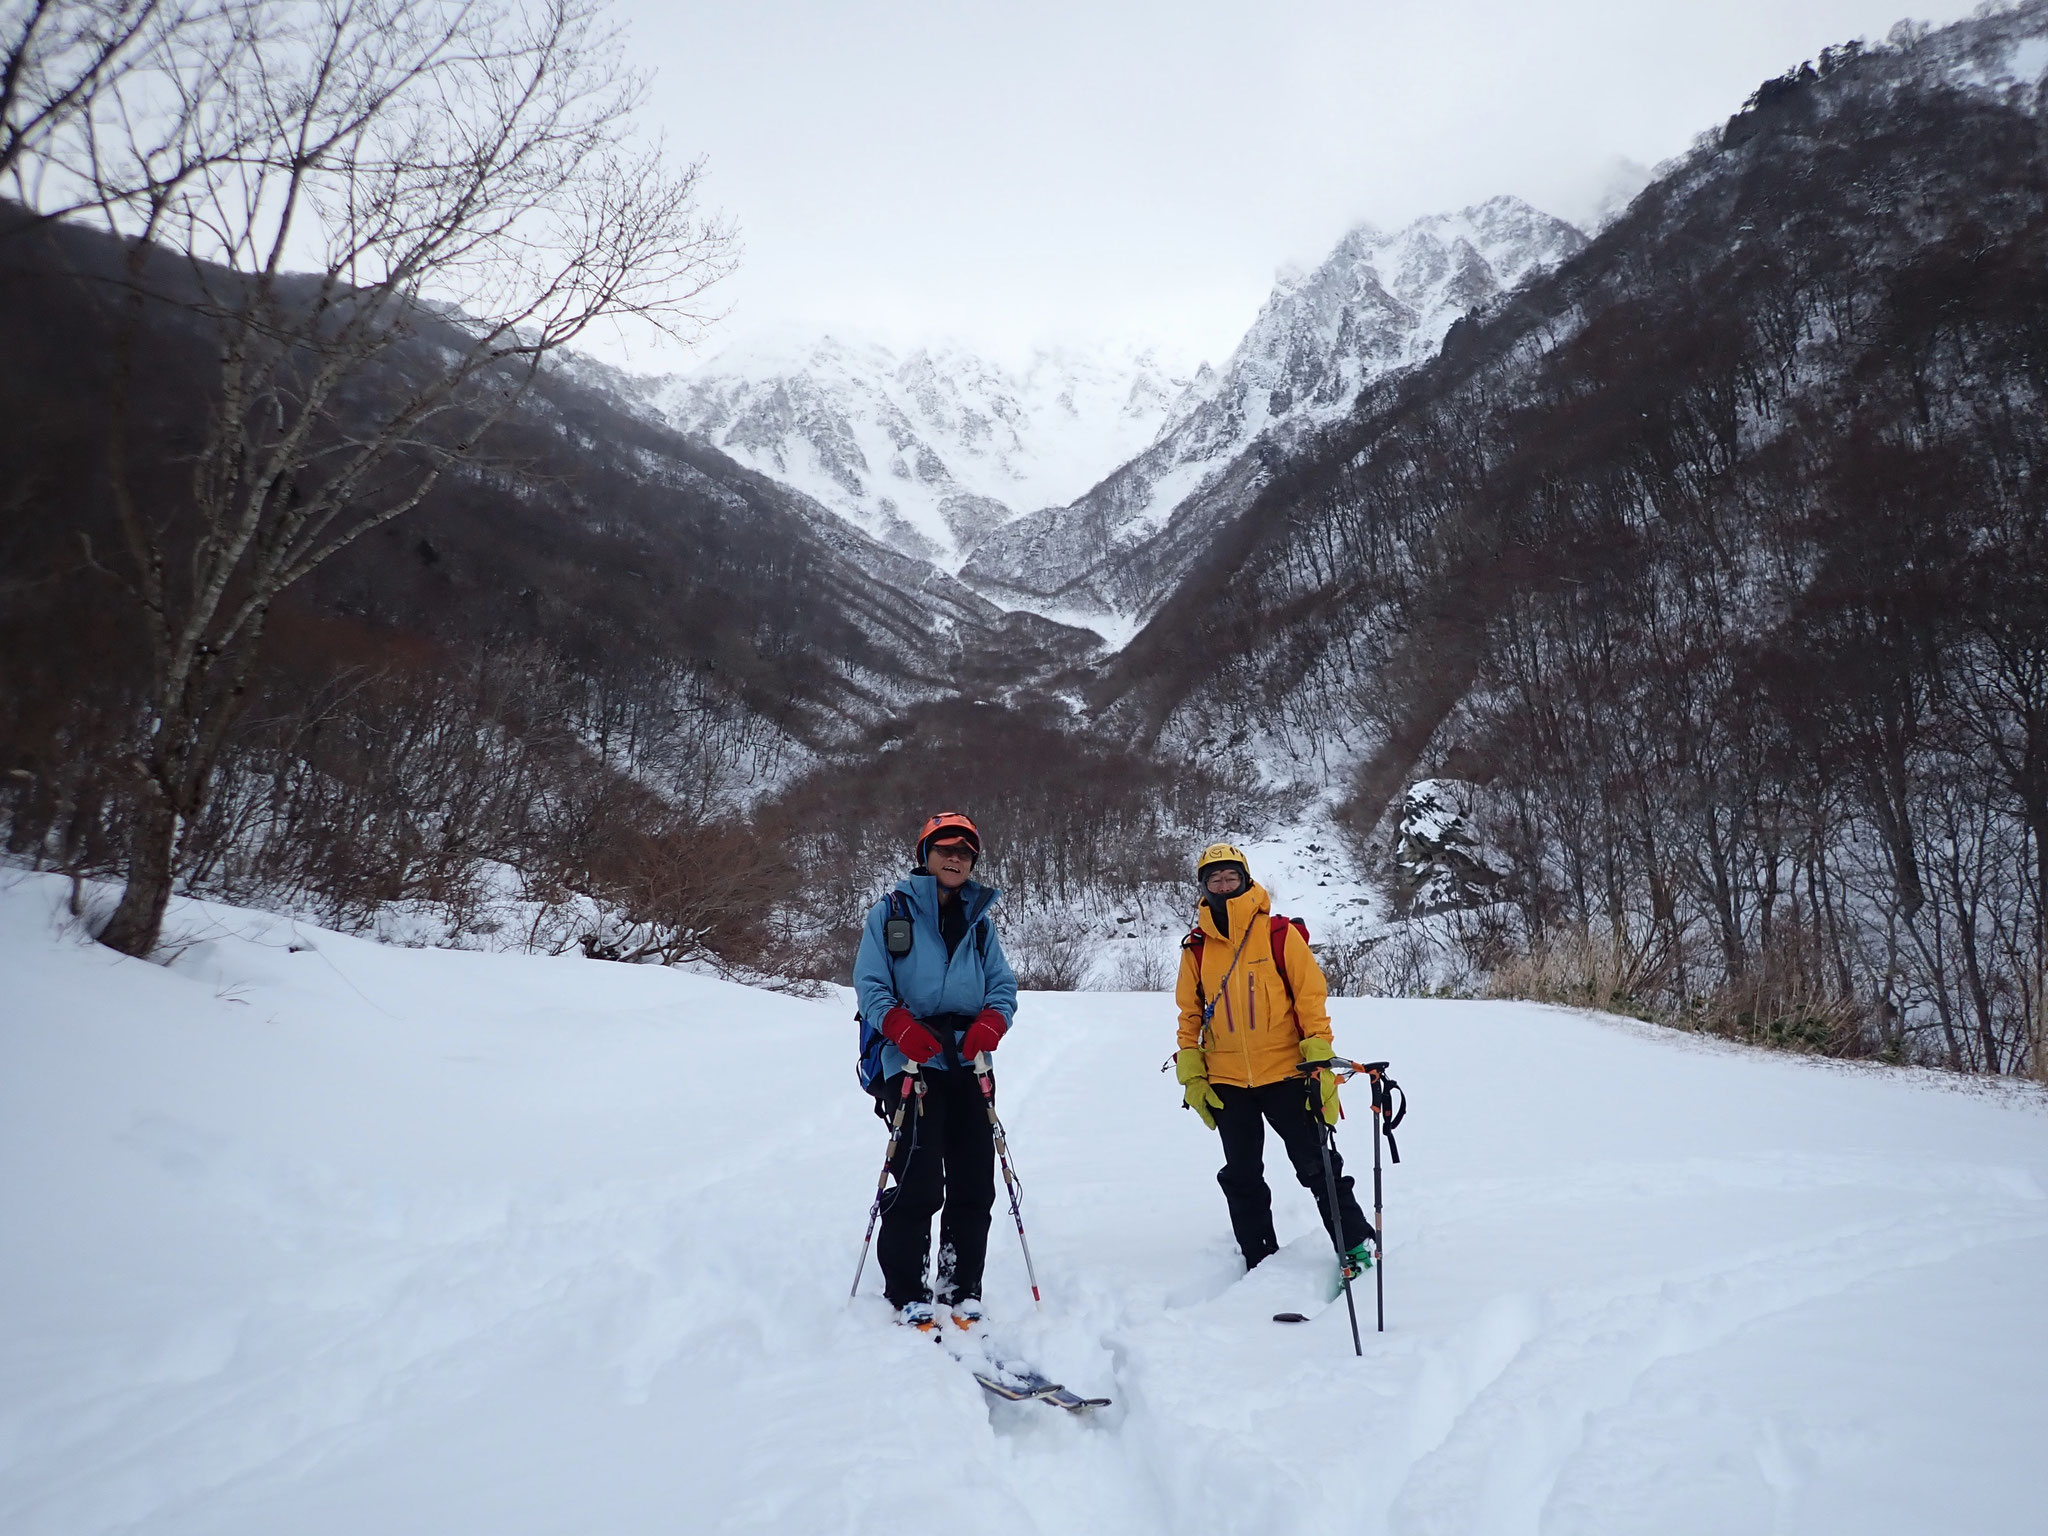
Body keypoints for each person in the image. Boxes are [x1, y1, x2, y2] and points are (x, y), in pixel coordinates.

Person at [1173, 841, 1375, 1281]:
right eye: (1214, 879)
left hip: (1287, 1073)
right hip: (1227, 1080)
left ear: (1245, 880)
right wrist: (1192, 1074)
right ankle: (1259, 1258)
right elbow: (1189, 1017)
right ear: (1204, 888)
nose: (1224, 886)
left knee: (1317, 1165)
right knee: (1242, 1175)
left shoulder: (1279, 934)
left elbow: (1310, 1003)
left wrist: (1319, 1063)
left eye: (1231, 877)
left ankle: (1356, 1244)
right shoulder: (1197, 948)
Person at [853, 810, 1018, 1328]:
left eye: (965, 852)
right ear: (924, 855)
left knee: (974, 1181)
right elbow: (871, 984)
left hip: (968, 1059)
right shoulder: (889, 913)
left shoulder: (980, 921)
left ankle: (961, 1285)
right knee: (918, 1181)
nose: (955, 857)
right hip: (909, 1061)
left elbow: (1002, 986)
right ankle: (906, 1290)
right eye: (945, 848)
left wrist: (992, 1022)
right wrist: (900, 1026)